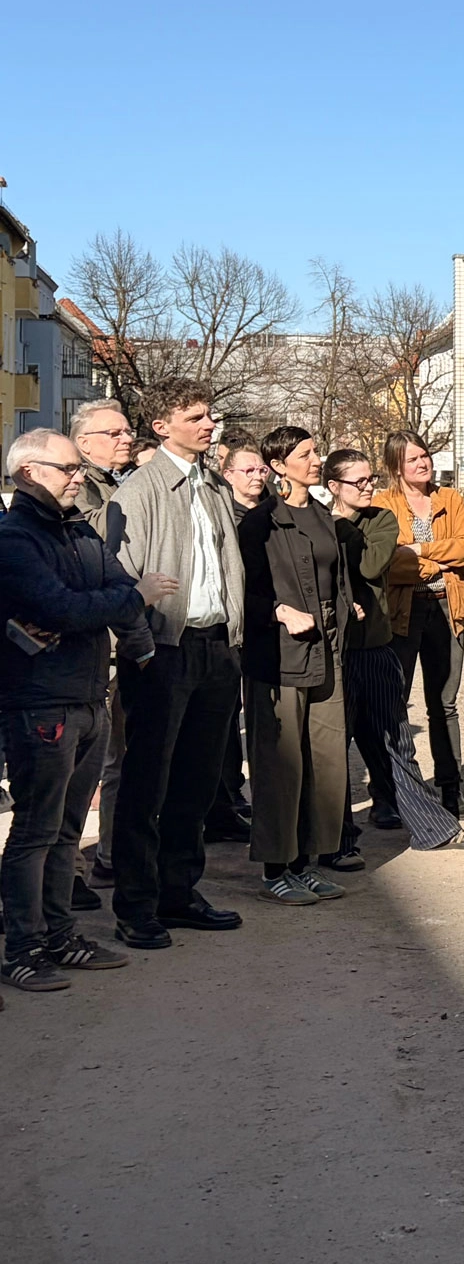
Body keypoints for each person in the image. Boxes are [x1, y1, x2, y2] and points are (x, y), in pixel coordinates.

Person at [0, 430, 172, 991]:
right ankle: (22, 948)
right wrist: (131, 600)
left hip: (87, 694)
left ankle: (59, 935)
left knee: (68, 831)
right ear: (30, 473)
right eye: (67, 468)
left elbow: (111, 590)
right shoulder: (15, 538)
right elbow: (62, 607)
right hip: (40, 703)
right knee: (35, 831)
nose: (79, 476)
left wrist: (139, 644)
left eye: (78, 467)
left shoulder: (78, 532)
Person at [106, 378, 246, 948]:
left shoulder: (213, 486)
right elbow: (121, 580)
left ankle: (179, 892)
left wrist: (234, 637)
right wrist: (140, 648)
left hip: (216, 647)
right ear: (162, 427)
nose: (208, 426)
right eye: (194, 418)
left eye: (210, 416)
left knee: (198, 779)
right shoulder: (138, 492)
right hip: (164, 651)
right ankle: (136, 905)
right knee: (147, 781)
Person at [323, 449, 464, 857]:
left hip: (374, 644)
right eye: (357, 482)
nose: (367, 486)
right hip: (335, 649)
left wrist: (339, 530)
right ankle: (337, 841)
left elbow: (374, 565)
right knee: (333, 747)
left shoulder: (380, 519)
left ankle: (432, 827)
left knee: (395, 738)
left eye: (369, 478)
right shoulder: (319, 522)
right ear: (333, 487)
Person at [236, 428, 356, 905]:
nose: (315, 460)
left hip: (327, 646)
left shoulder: (323, 515)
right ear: (279, 464)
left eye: (315, 451)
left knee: (325, 760)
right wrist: (278, 612)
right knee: (281, 762)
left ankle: (307, 862)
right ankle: (275, 867)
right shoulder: (260, 522)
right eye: (305, 454)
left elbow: (337, 577)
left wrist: (345, 609)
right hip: (279, 652)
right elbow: (242, 591)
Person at [375, 431, 464, 821]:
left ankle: (452, 790)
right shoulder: (382, 504)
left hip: (446, 608)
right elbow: (388, 561)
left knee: (445, 704)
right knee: (393, 704)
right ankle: (388, 793)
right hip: (402, 613)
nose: (423, 464)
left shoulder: (450, 499)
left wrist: (419, 551)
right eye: (413, 459)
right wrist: (441, 560)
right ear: (395, 467)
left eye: (425, 456)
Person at [69, 399, 139, 899]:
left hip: (127, 636)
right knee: (78, 764)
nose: (126, 439)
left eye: (128, 431)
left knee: (119, 757)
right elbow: (96, 537)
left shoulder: (121, 480)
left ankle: (113, 854)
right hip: (89, 644)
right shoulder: (75, 484)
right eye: (113, 433)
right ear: (83, 441)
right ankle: (68, 868)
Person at [205, 439, 268, 845]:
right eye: (248, 470)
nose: (258, 476)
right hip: (232, 625)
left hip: (264, 626)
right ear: (228, 476)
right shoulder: (224, 516)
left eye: (261, 469)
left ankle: (232, 796)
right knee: (225, 719)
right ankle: (222, 802)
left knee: (243, 713)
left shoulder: (270, 511)